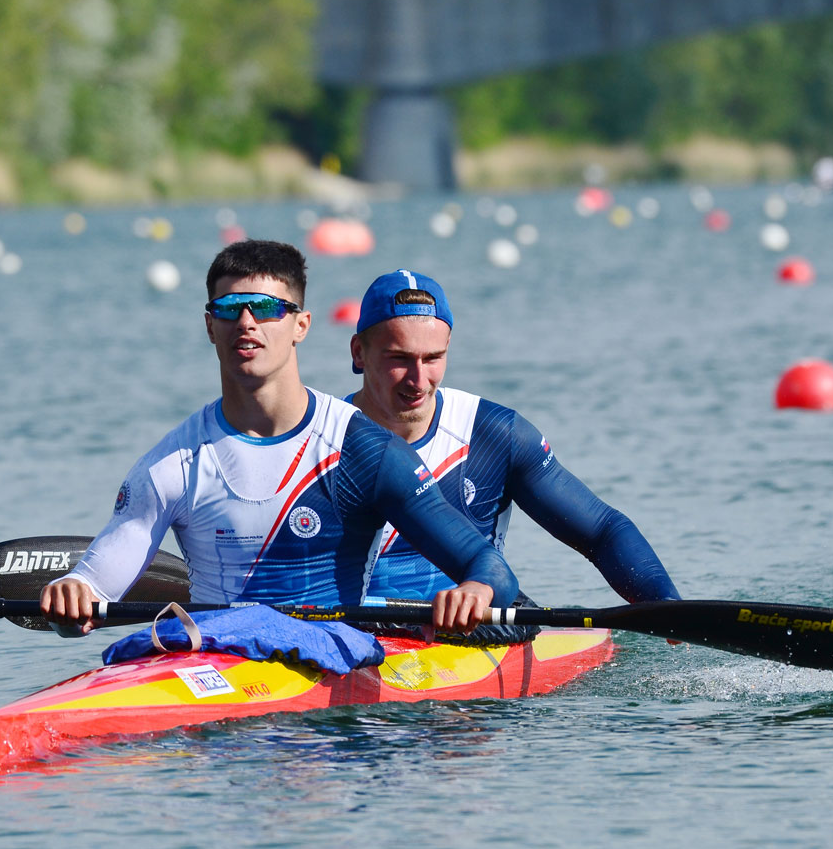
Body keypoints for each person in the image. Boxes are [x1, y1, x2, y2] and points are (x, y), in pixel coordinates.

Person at [41, 241, 519, 636]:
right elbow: (96, 585)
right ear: (210, 325)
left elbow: (486, 563)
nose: (246, 322)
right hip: (212, 660)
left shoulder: (362, 450)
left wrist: (476, 590)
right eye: (229, 308)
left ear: (302, 326)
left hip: (331, 669)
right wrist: (76, 594)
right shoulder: (171, 464)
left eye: (268, 308)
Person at [346, 269, 679, 606]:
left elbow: (602, 532)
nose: (418, 380)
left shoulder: (496, 435)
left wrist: (661, 600)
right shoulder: (323, 437)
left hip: (476, 631)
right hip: (352, 628)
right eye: (399, 359)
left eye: (433, 358)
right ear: (359, 353)